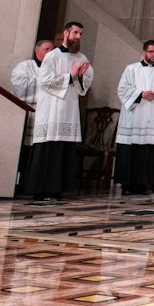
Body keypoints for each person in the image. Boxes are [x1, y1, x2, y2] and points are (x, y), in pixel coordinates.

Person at [24, 22, 93, 201]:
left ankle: (57, 189)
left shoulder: (81, 57)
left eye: (80, 34)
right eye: (75, 33)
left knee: (63, 149)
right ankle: (41, 190)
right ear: (66, 33)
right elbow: (45, 81)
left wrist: (81, 76)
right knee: (48, 148)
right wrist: (70, 76)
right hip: (51, 109)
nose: (78, 37)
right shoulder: (51, 56)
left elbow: (84, 85)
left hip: (69, 108)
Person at [114, 40, 154, 195]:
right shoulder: (131, 69)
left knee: (148, 151)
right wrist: (140, 94)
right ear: (144, 52)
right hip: (134, 114)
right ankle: (127, 185)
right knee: (130, 150)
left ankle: (144, 184)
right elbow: (122, 89)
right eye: (151, 52)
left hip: (152, 114)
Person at [11, 39, 55, 192]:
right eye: (46, 49)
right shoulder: (25, 66)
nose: (50, 52)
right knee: (26, 150)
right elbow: (19, 85)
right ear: (37, 52)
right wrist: (44, 82)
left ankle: (36, 182)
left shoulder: (55, 70)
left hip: (48, 113)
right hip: (30, 112)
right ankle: (20, 181)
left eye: (52, 49)